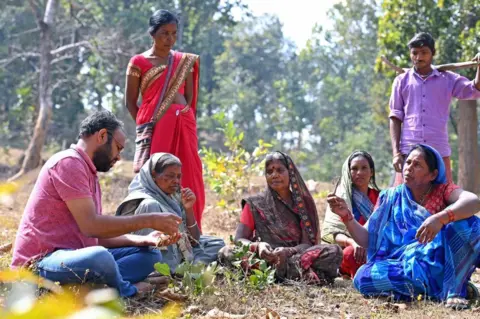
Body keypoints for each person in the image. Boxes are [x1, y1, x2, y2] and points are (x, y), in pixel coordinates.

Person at [11, 111, 183, 298]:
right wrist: (149, 220)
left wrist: (143, 239)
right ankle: (126, 290)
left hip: (75, 259)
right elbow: (92, 226)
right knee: (99, 257)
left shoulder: (88, 172)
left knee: (151, 255)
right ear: (102, 136)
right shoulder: (69, 163)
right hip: (41, 263)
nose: (118, 157)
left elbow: (95, 237)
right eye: (118, 148)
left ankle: (89, 289)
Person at [327, 144, 480, 309]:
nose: (409, 169)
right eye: (408, 163)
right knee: (362, 278)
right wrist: (346, 217)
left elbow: (472, 201)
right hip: (407, 265)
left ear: (433, 174)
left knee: (467, 224)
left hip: (441, 261)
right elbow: (366, 238)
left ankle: (454, 290)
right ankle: (439, 289)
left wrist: (440, 218)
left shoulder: (442, 191)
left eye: (417, 165)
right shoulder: (391, 196)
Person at [125, 9, 205, 230]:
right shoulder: (138, 62)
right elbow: (131, 102)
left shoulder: (184, 61)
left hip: (184, 124)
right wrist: (148, 125)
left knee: (189, 175)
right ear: (152, 33)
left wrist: (183, 117)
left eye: (173, 33)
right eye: (164, 33)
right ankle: (156, 229)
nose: (169, 39)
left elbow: (189, 101)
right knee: (157, 176)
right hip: (156, 127)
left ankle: (191, 231)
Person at [220, 152, 342, 283]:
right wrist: (258, 246)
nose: (274, 175)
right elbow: (239, 239)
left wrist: (288, 251)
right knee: (226, 251)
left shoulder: (302, 204)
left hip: (293, 258)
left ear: (290, 173)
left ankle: (275, 274)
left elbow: (307, 244)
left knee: (334, 251)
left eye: (279, 170)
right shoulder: (254, 203)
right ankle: (295, 275)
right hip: (263, 259)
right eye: (269, 171)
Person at [389, 32, 480, 185]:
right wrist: (396, 153)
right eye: (415, 53)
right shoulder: (401, 81)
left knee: (442, 199)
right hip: (408, 152)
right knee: (405, 202)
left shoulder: (448, 79)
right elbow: (395, 117)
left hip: (438, 151)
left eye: (424, 52)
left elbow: (475, 90)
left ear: (433, 53)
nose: (418, 57)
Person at [116, 152, 225, 272]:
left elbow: (195, 240)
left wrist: (188, 209)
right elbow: (146, 247)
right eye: (170, 176)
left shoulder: (175, 196)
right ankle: (167, 271)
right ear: (153, 175)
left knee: (217, 243)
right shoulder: (146, 202)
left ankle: (184, 269)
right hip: (157, 257)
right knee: (151, 206)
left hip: (179, 250)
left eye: (178, 176)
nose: (176, 181)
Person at [322, 151, 380, 279]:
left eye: (364, 168)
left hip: (377, 247)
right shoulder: (341, 199)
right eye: (354, 169)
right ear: (348, 172)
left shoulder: (381, 197)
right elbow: (333, 232)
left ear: (371, 172)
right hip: (353, 249)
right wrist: (353, 242)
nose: (359, 173)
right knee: (350, 253)